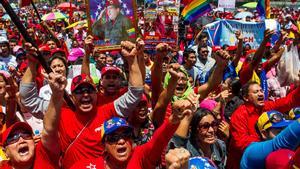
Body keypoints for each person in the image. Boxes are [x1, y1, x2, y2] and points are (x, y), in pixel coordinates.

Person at [70, 97, 194, 169]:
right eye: (113, 137)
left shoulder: (139, 156)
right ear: (104, 145)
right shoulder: (83, 166)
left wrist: (173, 119)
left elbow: (157, 141)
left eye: (126, 135)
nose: (121, 141)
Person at [227, 78, 300, 169]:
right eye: (256, 92)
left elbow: (288, 101)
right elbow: (241, 143)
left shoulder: (266, 106)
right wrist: (267, 142)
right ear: (246, 97)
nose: (261, 94)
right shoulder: (239, 115)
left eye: (261, 90)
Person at [0, 72, 67, 169]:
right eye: (13, 138)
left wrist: (56, 94)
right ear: (5, 151)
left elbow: (49, 129)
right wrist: (11, 100)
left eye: (26, 135)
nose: (21, 140)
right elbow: (10, 121)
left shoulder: (45, 155)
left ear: (34, 141)